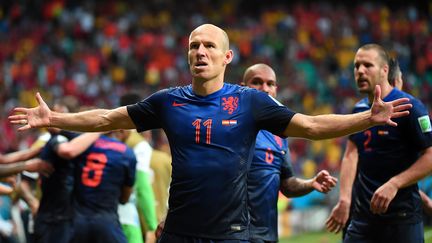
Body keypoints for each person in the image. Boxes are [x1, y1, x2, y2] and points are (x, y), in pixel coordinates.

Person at [9, 24, 412, 242]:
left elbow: (309, 126)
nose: (199, 51)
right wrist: (53, 120)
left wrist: (365, 119)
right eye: (193, 45)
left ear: (226, 57)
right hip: (180, 234)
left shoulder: (251, 102)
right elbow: (105, 119)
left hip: (230, 235)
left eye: (208, 46)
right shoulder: (168, 101)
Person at [325, 44, 432, 243]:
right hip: (362, 220)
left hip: (402, 219)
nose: (360, 71)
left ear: (385, 70)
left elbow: (430, 156)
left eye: (367, 65)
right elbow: (350, 155)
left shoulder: (410, 106)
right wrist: (345, 199)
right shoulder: (359, 110)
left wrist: (394, 183)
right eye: (356, 66)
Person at [242, 63, 337, 242]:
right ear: (242, 87)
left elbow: (287, 185)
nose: (265, 89)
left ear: (276, 89)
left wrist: (311, 183)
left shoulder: (279, 135)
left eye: (270, 84)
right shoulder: (231, 126)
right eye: (257, 82)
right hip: (234, 235)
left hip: (267, 236)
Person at [33, 101, 101, 243]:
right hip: (53, 219)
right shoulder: (56, 140)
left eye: (59, 114)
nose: (53, 117)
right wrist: (101, 129)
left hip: (67, 216)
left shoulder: (79, 140)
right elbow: (68, 151)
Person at [70, 129, 137, 243]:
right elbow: (124, 199)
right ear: (121, 130)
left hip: (76, 221)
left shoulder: (83, 144)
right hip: (106, 222)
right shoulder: (127, 153)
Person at [118, 93, 157, 243]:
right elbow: (142, 187)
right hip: (126, 217)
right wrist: (152, 226)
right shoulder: (140, 145)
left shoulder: (107, 136)